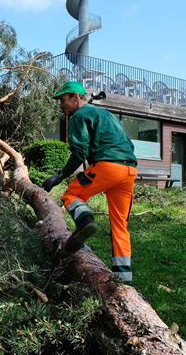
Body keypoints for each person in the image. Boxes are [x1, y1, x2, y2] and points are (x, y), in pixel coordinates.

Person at [42, 81, 137, 282]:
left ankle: (85, 223)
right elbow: (129, 144)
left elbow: (79, 152)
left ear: (76, 97)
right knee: (119, 224)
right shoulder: (107, 115)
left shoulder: (79, 116)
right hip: (129, 171)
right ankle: (124, 278)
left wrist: (59, 176)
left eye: (63, 99)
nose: (61, 105)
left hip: (108, 167)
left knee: (71, 194)